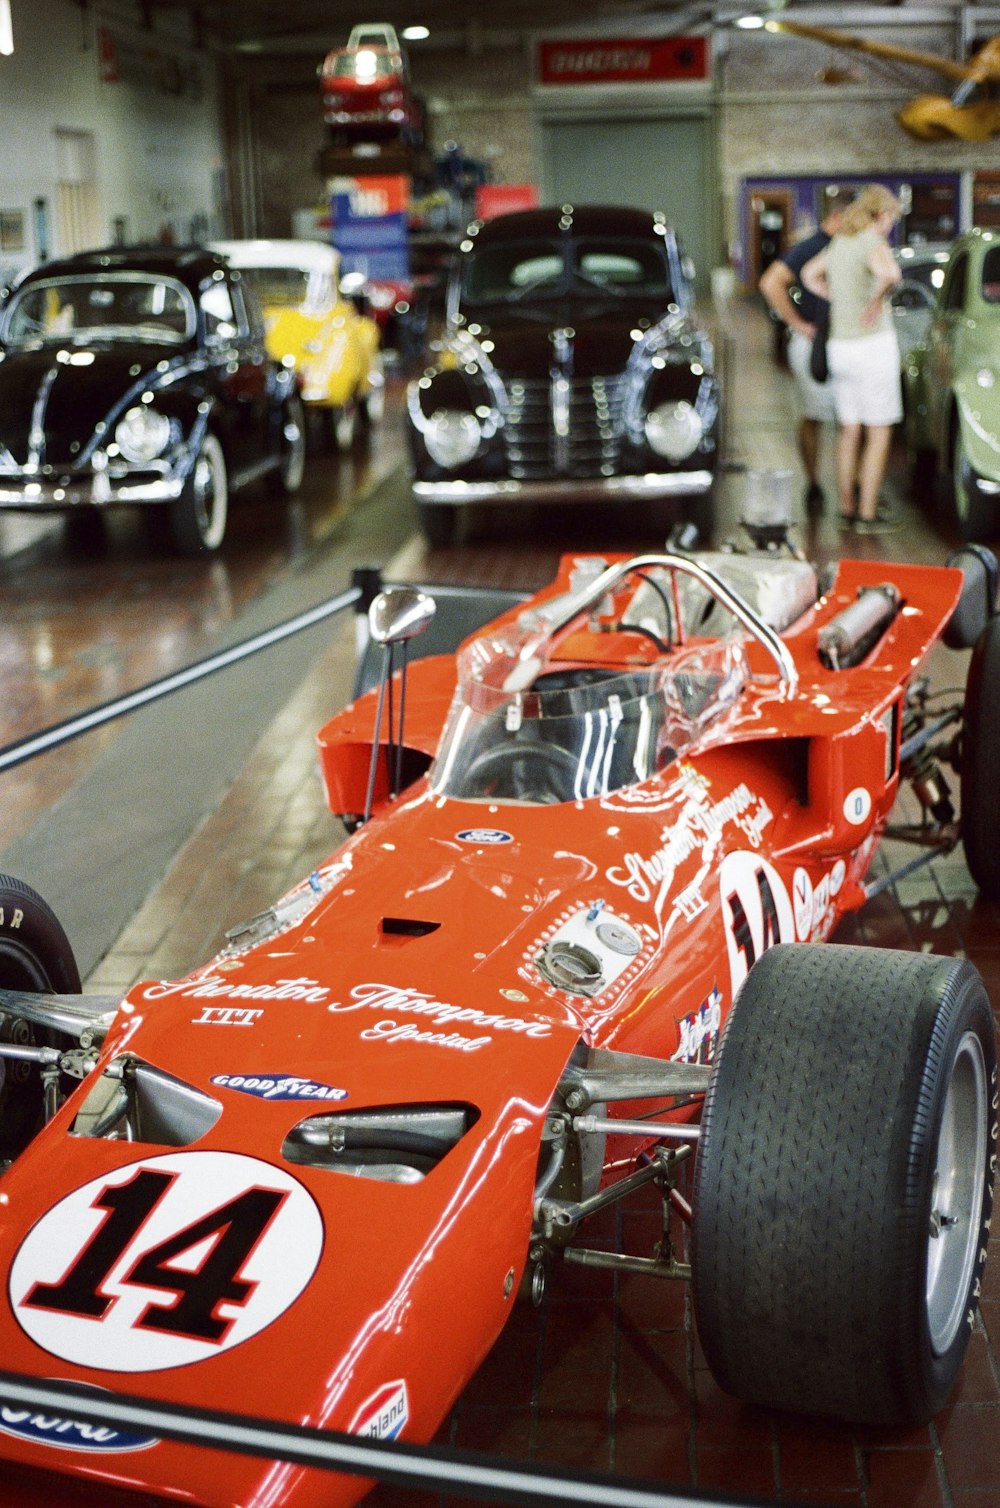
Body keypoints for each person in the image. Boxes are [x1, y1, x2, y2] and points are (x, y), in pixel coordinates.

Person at [801, 185, 903, 534]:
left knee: (848, 431)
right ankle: (867, 514)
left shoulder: (840, 243)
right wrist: (874, 302)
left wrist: (835, 296)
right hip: (872, 346)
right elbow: (891, 275)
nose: (891, 224)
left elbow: (808, 275)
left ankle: (845, 507)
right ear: (880, 213)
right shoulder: (873, 242)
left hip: (840, 347)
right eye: (891, 217)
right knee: (878, 431)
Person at [758, 187, 855, 517]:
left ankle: (848, 486)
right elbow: (771, 282)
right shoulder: (812, 247)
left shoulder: (848, 246)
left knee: (850, 418)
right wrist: (798, 324)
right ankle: (814, 483)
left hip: (845, 341)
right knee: (813, 414)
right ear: (838, 216)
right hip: (815, 341)